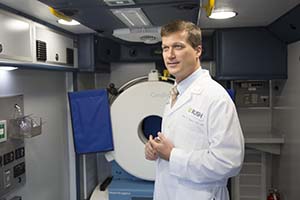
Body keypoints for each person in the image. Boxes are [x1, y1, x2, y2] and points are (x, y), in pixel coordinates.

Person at [144, 20, 244, 200]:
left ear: (198, 51)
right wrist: (156, 151)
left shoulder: (215, 97)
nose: (170, 55)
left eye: (178, 46)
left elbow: (229, 162)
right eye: (165, 48)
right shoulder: (176, 93)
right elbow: (184, 141)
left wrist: (172, 155)